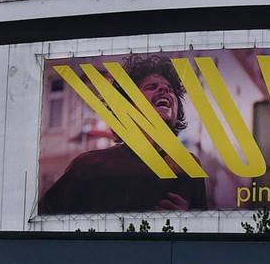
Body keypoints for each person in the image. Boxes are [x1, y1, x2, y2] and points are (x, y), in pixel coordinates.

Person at [39, 54, 208, 213]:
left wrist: (188, 219)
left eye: (170, 89)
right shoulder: (88, 166)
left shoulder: (190, 166)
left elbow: (205, 235)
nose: (164, 89)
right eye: (152, 86)